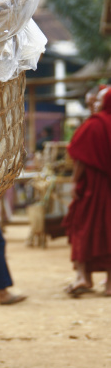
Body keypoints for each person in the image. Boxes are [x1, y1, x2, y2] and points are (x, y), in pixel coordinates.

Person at [63, 86, 111, 296]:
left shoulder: (94, 124)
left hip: (92, 186)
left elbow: (81, 157)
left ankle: (83, 277)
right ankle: (109, 284)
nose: (95, 105)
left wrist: (75, 181)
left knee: (83, 227)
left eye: (99, 101)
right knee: (108, 231)